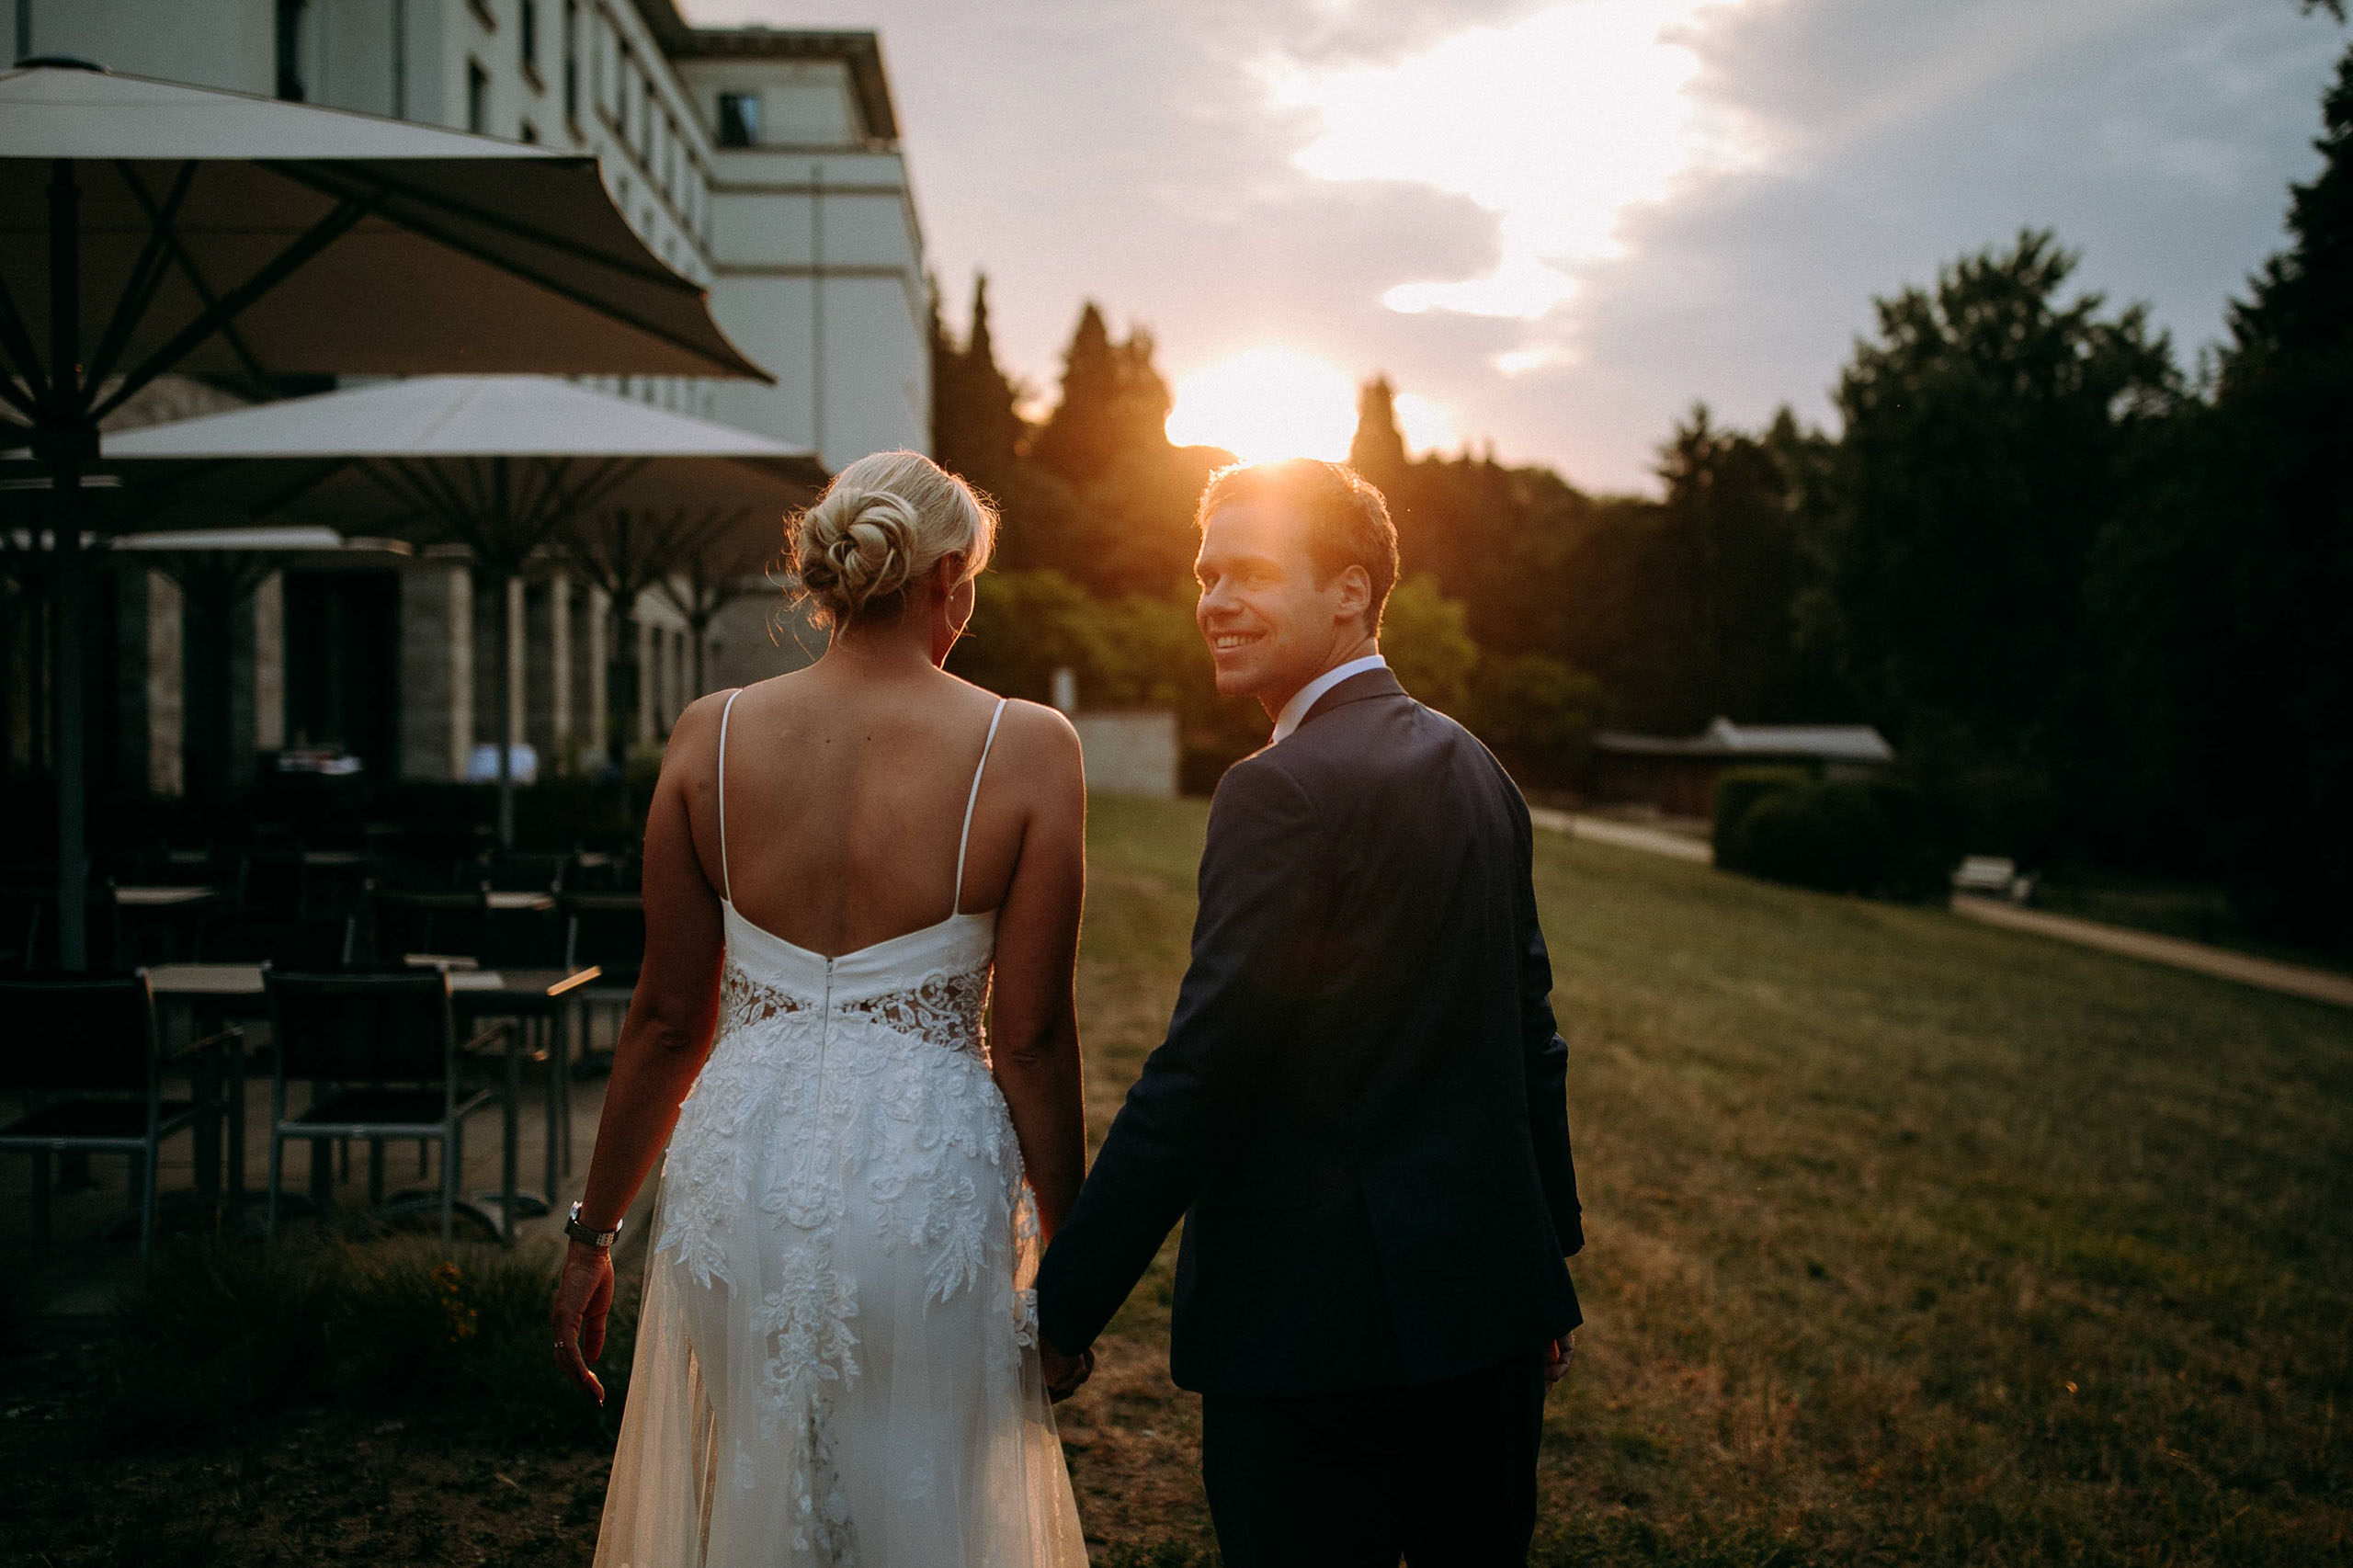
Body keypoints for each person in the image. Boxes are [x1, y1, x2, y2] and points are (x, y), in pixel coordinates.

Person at [1033, 459, 1585, 1567]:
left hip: (1313, 1339)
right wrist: (1548, 1262)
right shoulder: (1477, 766)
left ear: (1348, 591)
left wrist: (1062, 1308)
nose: (1215, 602)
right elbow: (1536, 1038)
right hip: (1489, 1315)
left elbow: (1201, 1074)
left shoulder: (1275, 790)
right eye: (1205, 574)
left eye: (1249, 573)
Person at [551, 450, 1094, 1567]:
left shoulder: (708, 732)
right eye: (974, 581)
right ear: (945, 576)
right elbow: (1032, 1043)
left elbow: (664, 1017)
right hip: (921, 1185)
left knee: (760, 1480)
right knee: (920, 1499)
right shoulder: (1028, 746)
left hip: (737, 1177)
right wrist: (1075, 1268)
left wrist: (592, 1236)